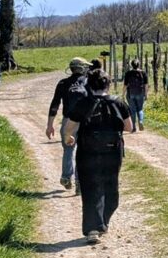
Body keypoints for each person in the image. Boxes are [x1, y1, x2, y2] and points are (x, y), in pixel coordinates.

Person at [62, 70, 132, 244]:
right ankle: (103, 221)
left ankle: (94, 228)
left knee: (91, 188)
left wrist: (68, 137)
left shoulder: (83, 103)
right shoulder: (118, 103)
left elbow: (69, 127)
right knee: (110, 187)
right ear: (108, 84)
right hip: (112, 152)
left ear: (89, 85)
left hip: (87, 151)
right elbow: (129, 127)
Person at [46, 58, 91, 191]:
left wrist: (50, 125)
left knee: (68, 150)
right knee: (83, 152)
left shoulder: (63, 83)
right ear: (82, 68)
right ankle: (79, 182)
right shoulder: (88, 82)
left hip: (68, 120)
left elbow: (55, 104)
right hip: (85, 120)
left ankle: (66, 177)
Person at [122, 60, 148, 131]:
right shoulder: (143, 73)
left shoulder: (128, 73)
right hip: (140, 93)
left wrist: (123, 95)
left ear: (131, 65)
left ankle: (133, 127)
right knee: (140, 109)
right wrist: (146, 94)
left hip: (130, 94)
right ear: (139, 65)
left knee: (132, 110)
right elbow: (146, 85)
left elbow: (125, 85)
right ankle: (141, 121)